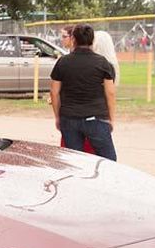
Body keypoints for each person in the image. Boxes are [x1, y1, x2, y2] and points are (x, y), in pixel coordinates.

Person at [49, 24, 117, 161]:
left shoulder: (63, 62)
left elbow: (54, 92)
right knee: (109, 160)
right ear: (92, 40)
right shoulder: (102, 63)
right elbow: (110, 93)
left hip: (69, 117)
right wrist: (111, 118)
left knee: (74, 161)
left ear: (73, 39)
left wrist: (57, 116)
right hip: (96, 117)